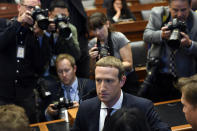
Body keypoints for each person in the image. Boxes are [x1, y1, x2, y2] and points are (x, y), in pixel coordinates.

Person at [71, 56, 171, 131]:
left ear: (122, 81)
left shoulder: (143, 106)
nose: (102, 88)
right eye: (98, 80)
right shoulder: (85, 107)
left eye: (109, 81)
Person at [0, 0, 48, 123]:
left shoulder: (37, 32)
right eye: (30, 8)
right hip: (3, 94)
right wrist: (18, 23)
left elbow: (40, 65)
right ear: (19, 7)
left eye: (36, 9)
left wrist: (40, 37)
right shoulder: (4, 24)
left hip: (26, 94)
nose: (33, 12)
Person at [142, 0, 197, 102]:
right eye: (175, 10)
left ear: (190, 6)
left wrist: (190, 44)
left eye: (183, 10)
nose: (179, 14)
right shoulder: (158, 13)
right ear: (169, 7)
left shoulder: (195, 20)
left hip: (187, 78)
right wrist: (161, 35)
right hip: (160, 73)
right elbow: (146, 36)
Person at [88, 12, 138, 95]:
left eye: (100, 28)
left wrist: (109, 66)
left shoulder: (119, 38)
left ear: (107, 24)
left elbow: (129, 64)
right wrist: (92, 59)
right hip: (105, 83)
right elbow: (93, 70)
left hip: (125, 81)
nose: (97, 33)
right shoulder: (92, 44)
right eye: (94, 30)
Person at [41, 0, 90, 78]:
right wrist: (47, 33)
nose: (60, 20)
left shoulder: (71, 28)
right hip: (46, 72)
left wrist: (67, 36)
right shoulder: (42, 28)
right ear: (50, 15)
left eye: (63, 16)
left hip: (65, 71)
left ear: (68, 15)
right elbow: (41, 56)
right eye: (56, 16)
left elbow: (76, 55)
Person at [44, 54, 96, 120]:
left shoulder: (89, 86)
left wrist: (82, 109)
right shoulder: (52, 89)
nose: (64, 75)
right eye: (60, 71)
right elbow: (43, 115)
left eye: (67, 70)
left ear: (74, 68)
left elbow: (96, 111)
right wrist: (48, 112)